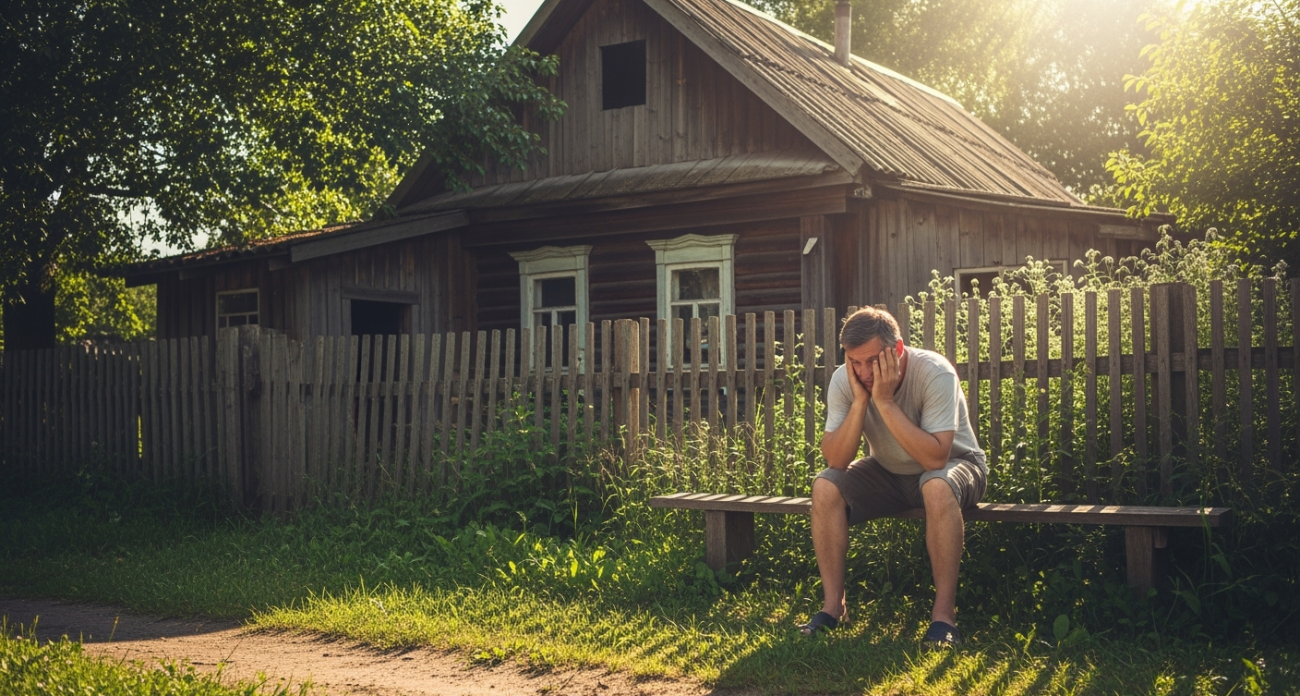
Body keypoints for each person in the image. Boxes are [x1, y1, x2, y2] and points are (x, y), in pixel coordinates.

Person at [799, 306, 986, 646]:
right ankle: (833, 609)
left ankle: (944, 619)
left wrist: (884, 402)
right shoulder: (847, 379)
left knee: (936, 485)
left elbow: (935, 456)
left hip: (956, 466)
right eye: (854, 361)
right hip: (889, 471)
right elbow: (837, 460)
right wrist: (860, 402)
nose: (862, 371)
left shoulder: (934, 372)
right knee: (825, 485)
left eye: (872, 361)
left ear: (897, 350)